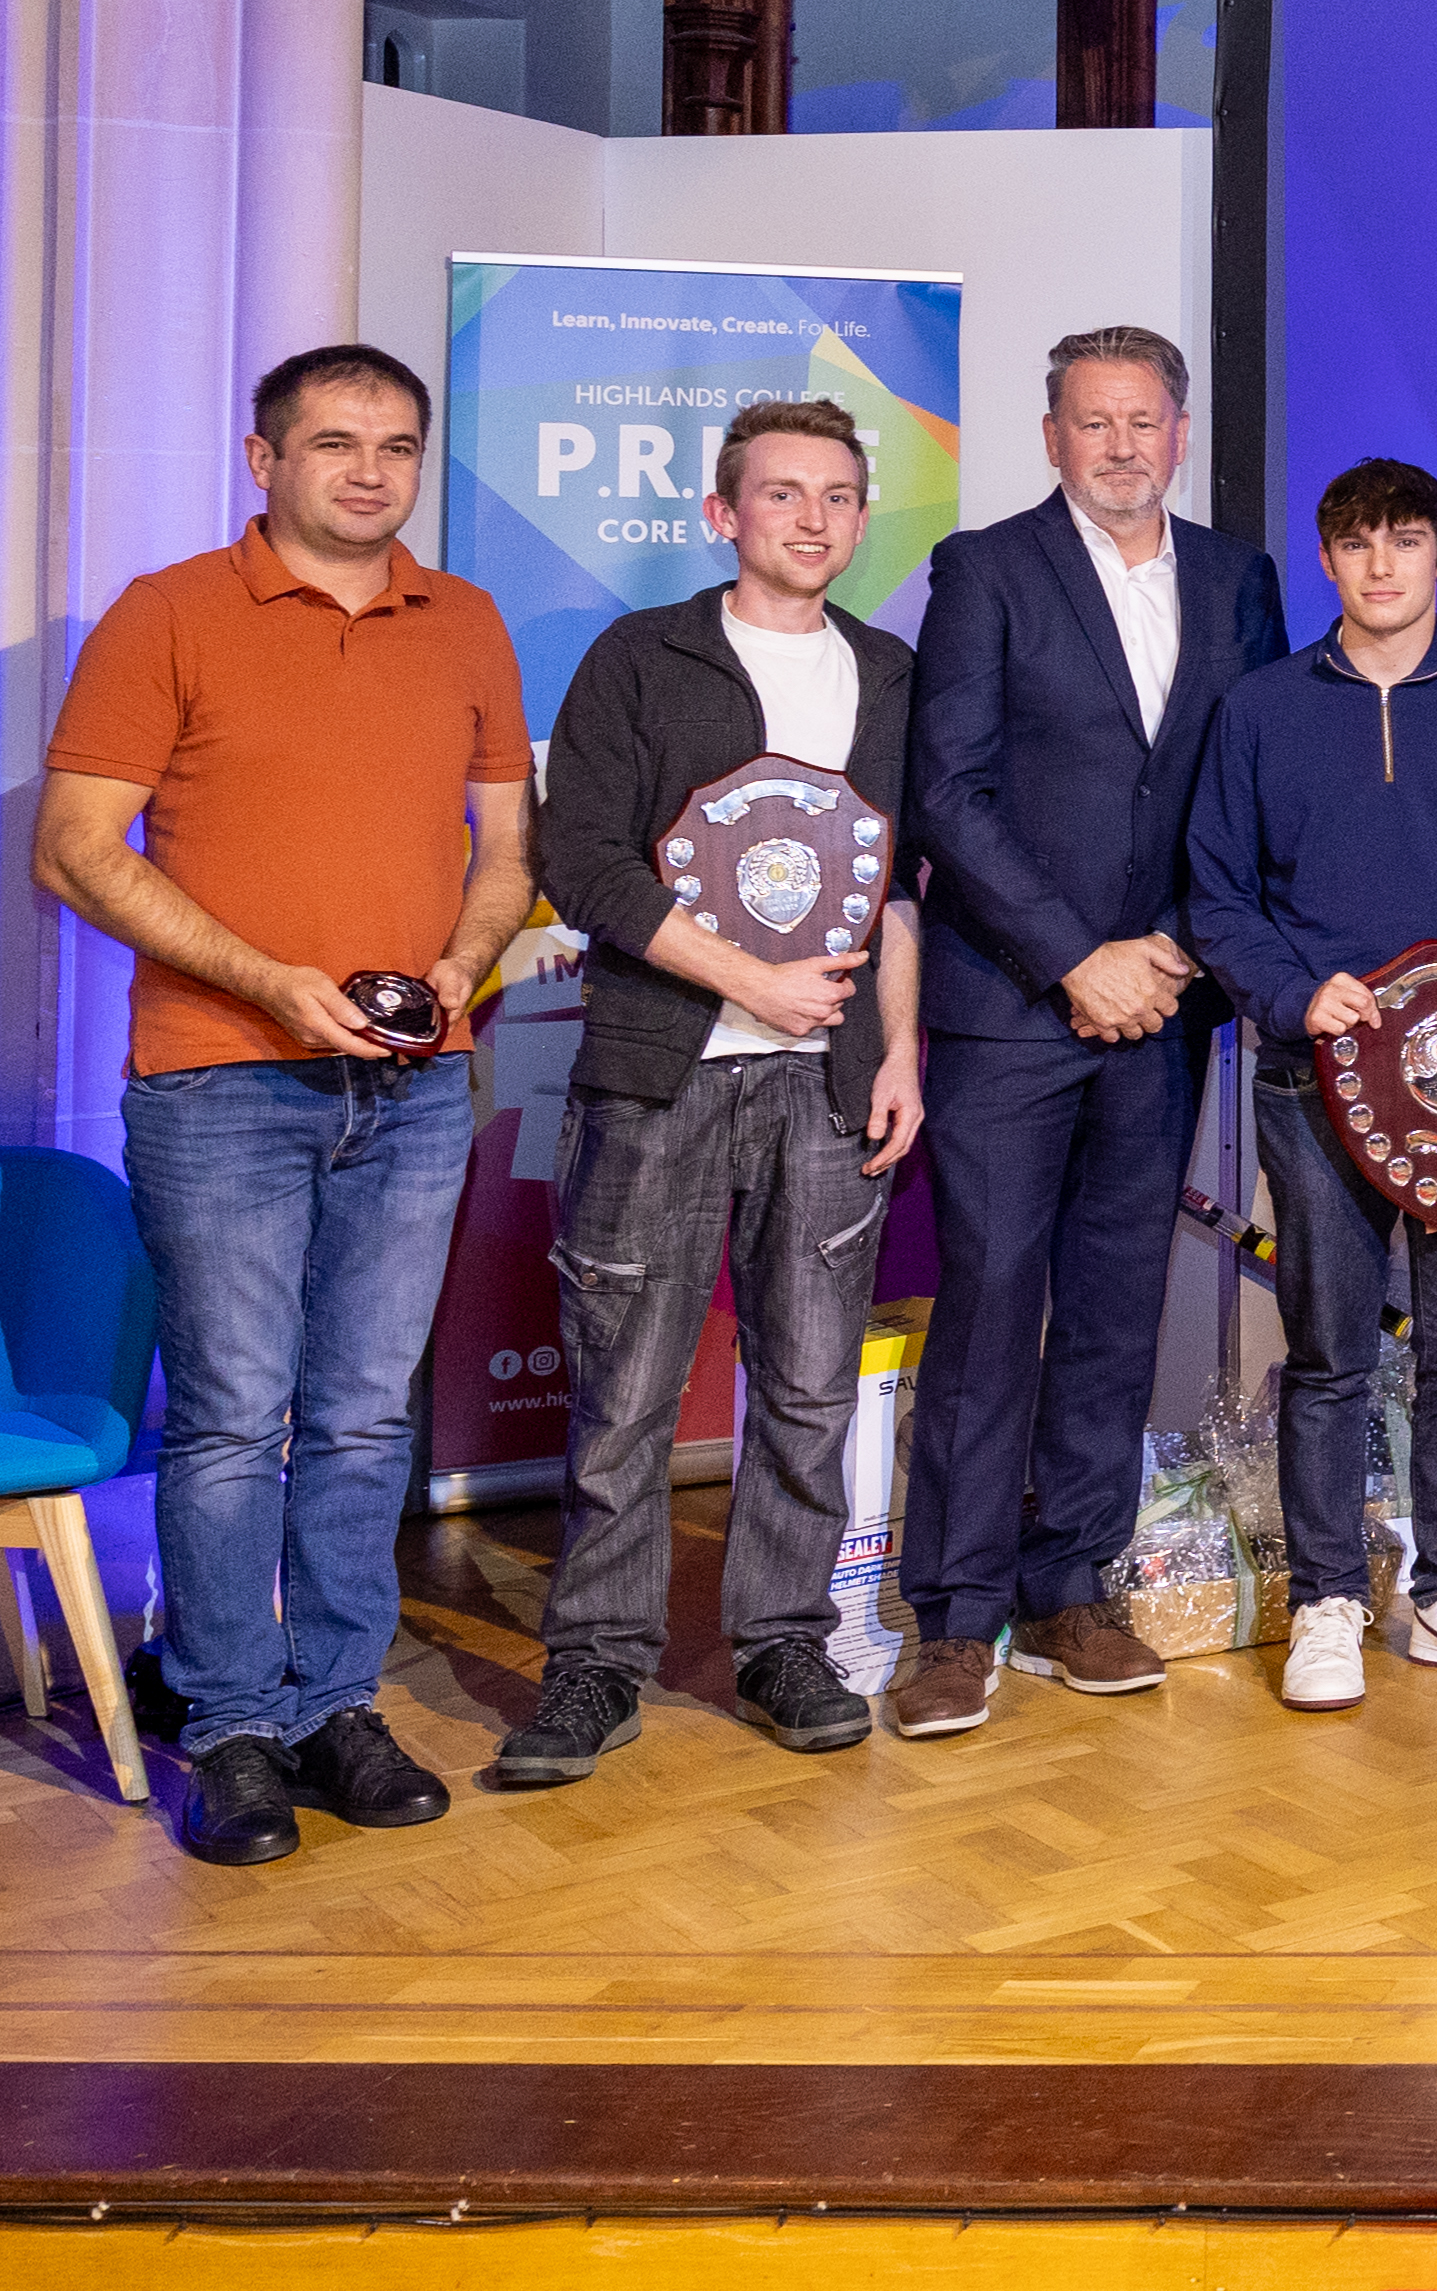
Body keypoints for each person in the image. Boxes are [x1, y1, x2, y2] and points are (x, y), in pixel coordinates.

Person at [35, 344, 533, 1865]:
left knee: (365, 1415)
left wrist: (459, 965)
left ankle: (333, 1701)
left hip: (417, 1082)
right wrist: (269, 979)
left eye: (395, 444)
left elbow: (507, 848)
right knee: (236, 1416)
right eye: (334, 443)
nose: (369, 470)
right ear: (265, 462)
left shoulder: (467, 620)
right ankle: (233, 1720)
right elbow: (74, 846)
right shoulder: (167, 611)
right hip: (220, 1078)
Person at [495, 399, 928, 1786]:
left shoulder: (892, 673)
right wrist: (749, 976)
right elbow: (588, 862)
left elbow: (901, 887)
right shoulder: (643, 656)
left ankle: (781, 1640)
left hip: (830, 1083)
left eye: (839, 496)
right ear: (721, 513)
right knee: (623, 1389)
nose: (812, 518)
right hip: (660, 1073)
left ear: (862, 519)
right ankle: (596, 1663)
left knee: (807, 1386)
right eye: (783, 492)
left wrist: (898, 1048)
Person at [892, 326, 1289, 1741]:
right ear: (1051, 434)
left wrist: (1173, 949)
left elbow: (1252, 778)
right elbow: (948, 787)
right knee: (993, 1302)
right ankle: (950, 1617)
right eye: (1092, 421)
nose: (1120, 444)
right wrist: (1073, 955)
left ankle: (1075, 1584)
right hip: (1012, 1004)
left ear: (1178, 432)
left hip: (1163, 1004)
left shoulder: (1240, 577)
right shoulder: (986, 570)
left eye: (1144, 420)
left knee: (1120, 1309)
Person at [1184, 458, 1437, 1711]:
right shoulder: (1260, 710)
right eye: (1356, 544)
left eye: (1405, 542)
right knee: (1329, 1358)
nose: (1381, 565)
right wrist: (1296, 995)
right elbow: (1219, 896)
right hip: (1317, 1090)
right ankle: (1326, 1601)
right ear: (1327, 560)